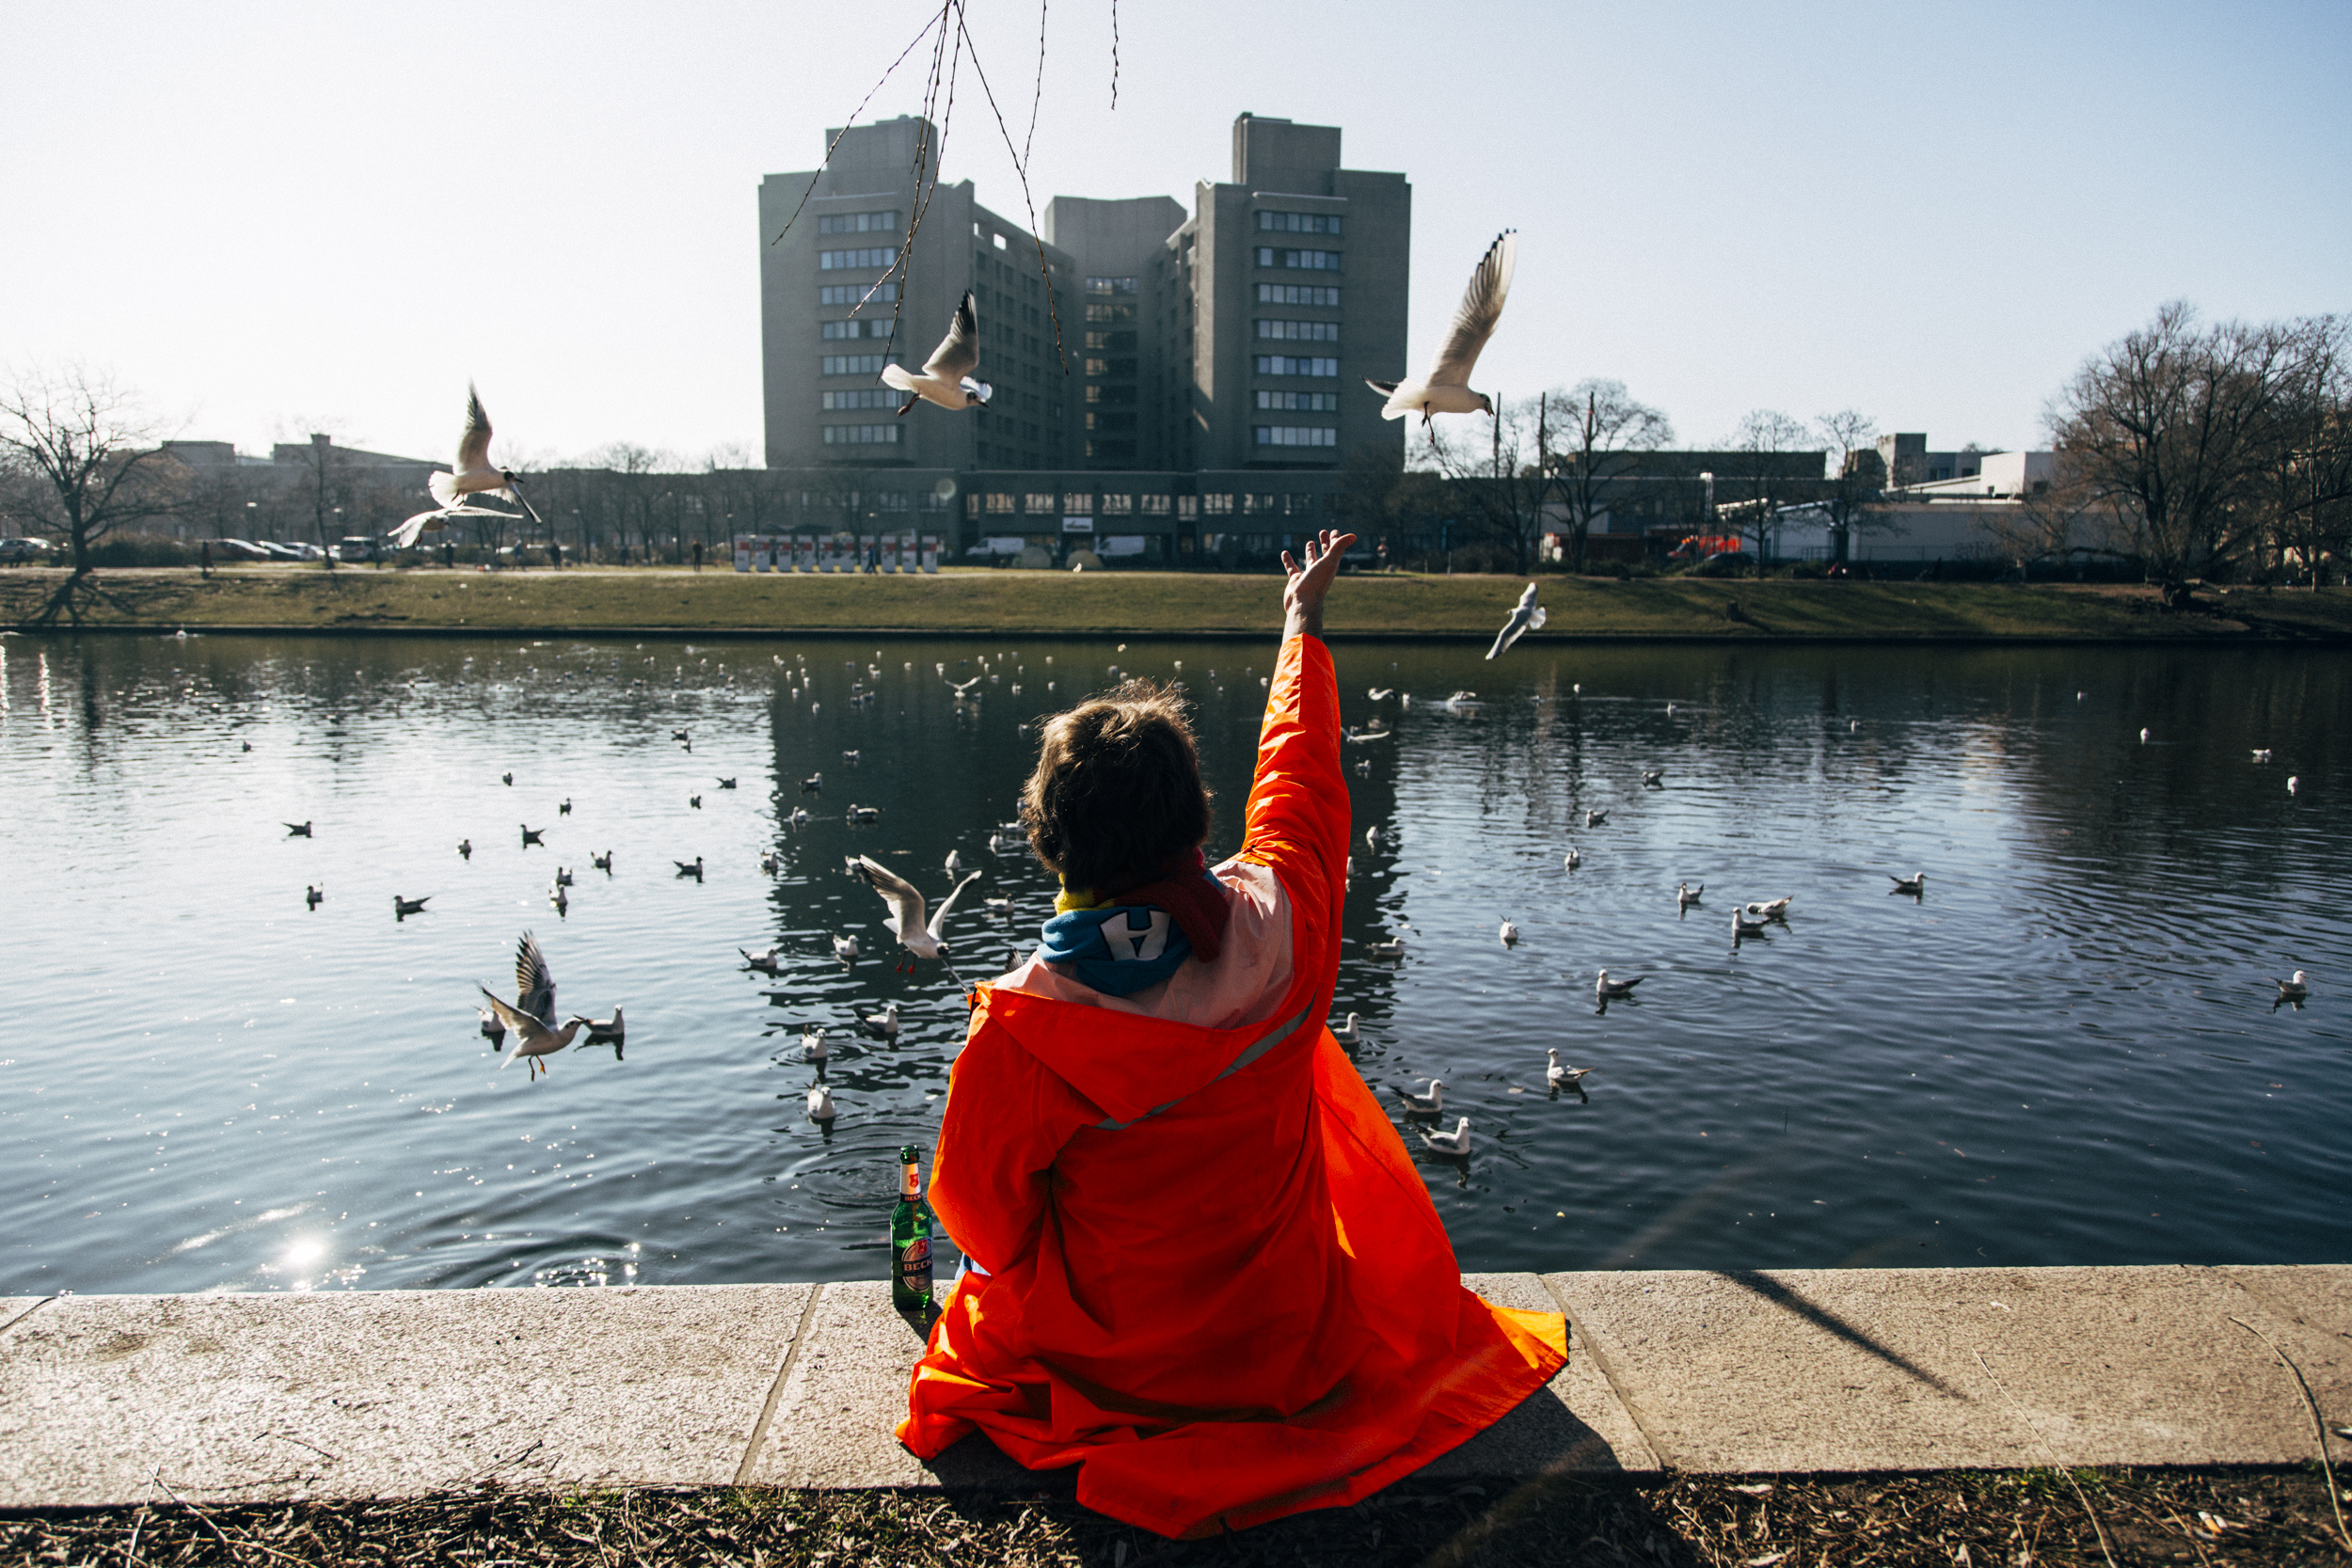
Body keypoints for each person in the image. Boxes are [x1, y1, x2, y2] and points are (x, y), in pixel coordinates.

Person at [900, 530, 1565, 1540]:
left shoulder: (1027, 1029)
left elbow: (983, 1224)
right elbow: (1298, 772)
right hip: (1285, 1344)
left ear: (1052, 840)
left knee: (981, 1294)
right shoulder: (1286, 918)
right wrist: (1301, 620)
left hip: (1121, 1364)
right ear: (1197, 815)